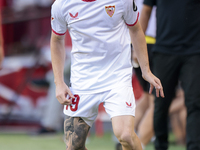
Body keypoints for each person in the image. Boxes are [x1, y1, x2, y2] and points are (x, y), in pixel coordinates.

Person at [50, 0, 164, 150]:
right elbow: (57, 40)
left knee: (126, 136)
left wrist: (146, 71)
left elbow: (136, 29)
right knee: (74, 146)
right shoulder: (61, 4)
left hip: (117, 78)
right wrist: (59, 83)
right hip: (83, 81)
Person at [141, 0, 200, 150]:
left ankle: (194, 147)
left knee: (194, 103)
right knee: (160, 104)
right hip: (164, 51)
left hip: (194, 52)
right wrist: (137, 49)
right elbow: (146, 11)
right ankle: (161, 146)